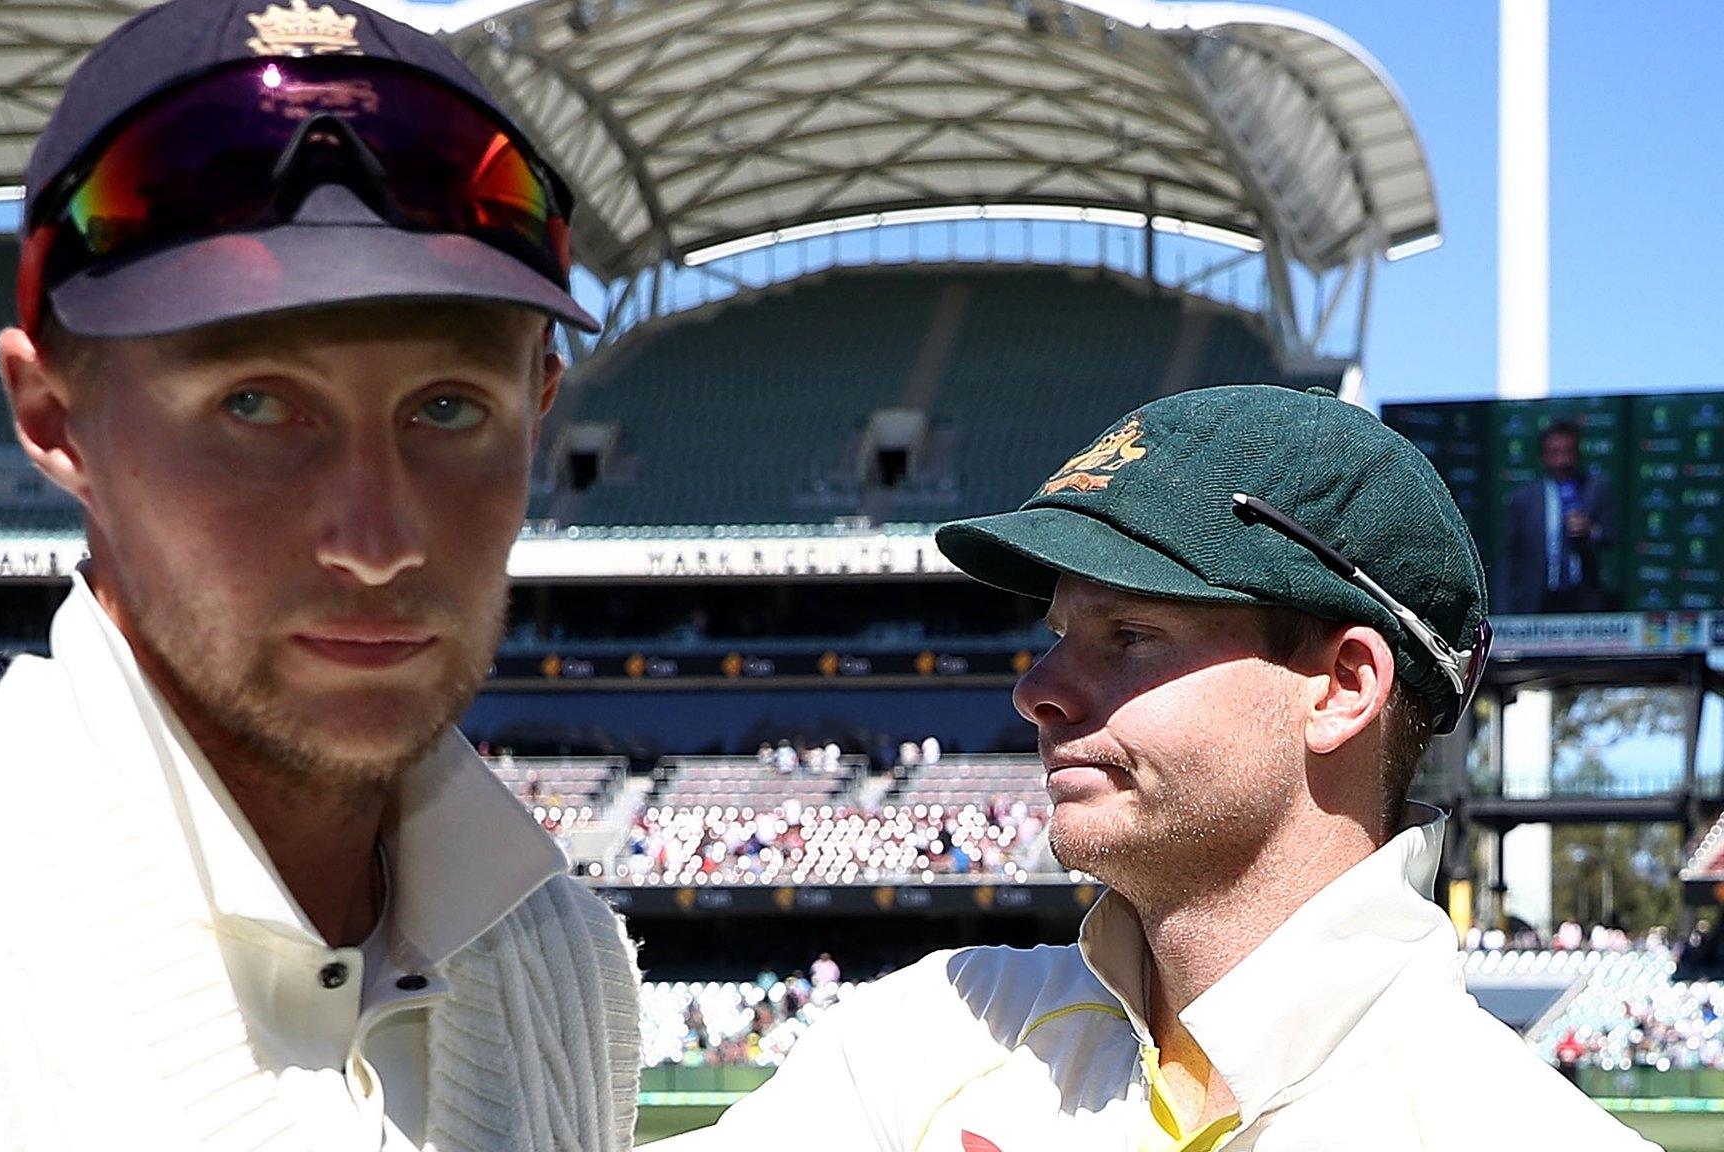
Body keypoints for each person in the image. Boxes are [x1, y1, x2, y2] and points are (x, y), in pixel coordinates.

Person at [0, 2, 641, 1149]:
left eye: (446, 409)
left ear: (538, 408)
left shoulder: (562, 960)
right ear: (53, 418)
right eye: (255, 405)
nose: (376, 538)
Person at [655, 385, 1656, 1149]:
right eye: (1054, 633)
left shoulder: (1508, 1128)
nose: (1035, 691)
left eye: (1129, 632)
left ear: (1341, 686)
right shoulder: (931, 1030)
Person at [1498, 419, 1618, 613]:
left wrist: (1591, 532)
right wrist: (1503, 610)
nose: (1563, 461)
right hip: (1537, 599)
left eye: (1569, 452)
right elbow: (1509, 557)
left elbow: (1611, 536)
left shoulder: (1595, 489)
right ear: (1543, 457)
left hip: (1583, 597)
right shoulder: (1524, 498)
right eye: (1555, 453)